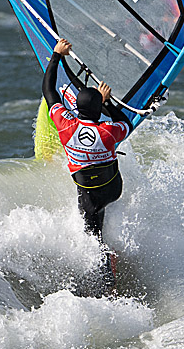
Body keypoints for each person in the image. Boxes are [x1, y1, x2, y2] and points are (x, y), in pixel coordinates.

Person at [42, 38, 131, 294]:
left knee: (94, 235)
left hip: (89, 196)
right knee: (101, 199)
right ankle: (112, 259)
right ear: (98, 108)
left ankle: (107, 283)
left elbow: (49, 91)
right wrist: (107, 102)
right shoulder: (108, 132)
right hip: (114, 189)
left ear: (76, 108)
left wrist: (57, 55)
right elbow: (124, 121)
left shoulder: (65, 125)